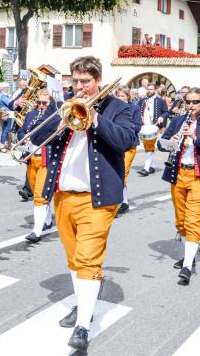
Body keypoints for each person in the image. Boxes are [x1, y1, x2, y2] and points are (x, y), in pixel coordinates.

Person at [30, 56, 136, 352]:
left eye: (85, 82)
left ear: (97, 81)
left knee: (88, 260)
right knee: (76, 261)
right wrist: (59, 117)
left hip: (97, 199)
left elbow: (126, 140)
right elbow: (37, 138)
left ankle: (83, 325)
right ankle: (84, 301)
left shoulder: (119, 108)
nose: (79, 87)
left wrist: (95, 118)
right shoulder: (64, 106)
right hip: (63, 195)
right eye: (75, 81)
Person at [158, 88, 200, 285]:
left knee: (193, 221)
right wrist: (172, 141)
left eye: (195, 102)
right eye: (188, 102)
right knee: (181, 222)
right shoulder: (177, 121)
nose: (191, 105)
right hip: (178, 175)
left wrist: (195, 137)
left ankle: (187, 266)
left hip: (198, 176)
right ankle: (191, 251)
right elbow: (161, 145)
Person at [17, 89, 56, 242]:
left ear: (50, 102)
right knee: (37, 194)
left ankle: (36, 231)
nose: (40, 105)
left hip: (46, 159)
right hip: (31, 158)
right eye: (38, 102)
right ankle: (46, 221)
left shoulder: (54, 116)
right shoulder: (31, 115)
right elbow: (21, 132)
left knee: (40, 195)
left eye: (44, 103)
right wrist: (24, 138)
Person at [115, 86, 141, 217]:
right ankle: (123, 201)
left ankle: (119, 202)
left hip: (129, 144)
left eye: (123, 96)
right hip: (115, 144)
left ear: (128, 96)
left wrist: (123, 128)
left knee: (123, 173)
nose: (121, 98)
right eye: (118, 96)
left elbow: (137, 126)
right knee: (116, 172)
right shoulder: (114, 108)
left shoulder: (134, 108)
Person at [137, 83, 168, 176]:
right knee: (148, 146)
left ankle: (146, 168)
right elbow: (137, 111)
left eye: (151, 89)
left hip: (154, 127)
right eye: (148, 89)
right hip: (144, 127)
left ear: (155, 90)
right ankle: (153, 166)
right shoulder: (142, 101)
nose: (149, 91)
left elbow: (166, 112)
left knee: (149, 146)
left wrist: (162, 117)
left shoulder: (160, 101)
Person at [0, 82, 15, 152]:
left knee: (6, 130)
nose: (8, 89)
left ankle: (9, 145)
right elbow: (10, 104)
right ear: (4, 88)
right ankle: (1, 145)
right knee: (6, 130)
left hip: (5, 114)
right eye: (7, 87)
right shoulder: (4, 96)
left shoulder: (2, 95)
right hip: (7, 114)